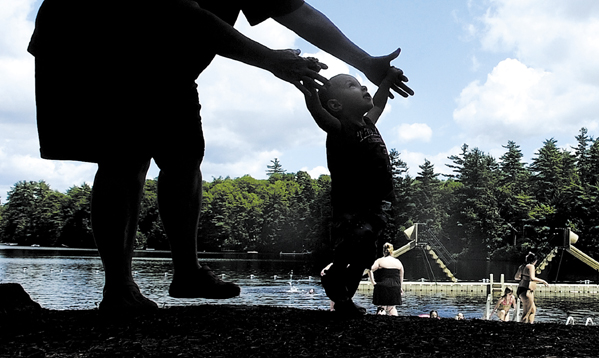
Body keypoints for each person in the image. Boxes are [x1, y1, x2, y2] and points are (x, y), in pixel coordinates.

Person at [28, 0, 412, 311]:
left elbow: (299, 13)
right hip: (91, 35)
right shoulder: (341, 126)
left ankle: (186, 272)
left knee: (184, 152)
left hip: (161, 56)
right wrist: (271, 60)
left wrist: (367, 63)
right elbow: (185, 15)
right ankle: (119, 288)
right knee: (123, 155)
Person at [302, 67, 404, 317]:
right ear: (336, 105)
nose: (363, 88)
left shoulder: (368, 123)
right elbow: (318, 112)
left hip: (376, 204)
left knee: (366, 256)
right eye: (352, 86)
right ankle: (336, 273)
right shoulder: (339, 127)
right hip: (351, 204)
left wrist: (387, 80)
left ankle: (344, 297)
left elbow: (379, 103)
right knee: (350, 245)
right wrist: (309, 90)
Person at [368, 243, 404, 316]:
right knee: (392, 308)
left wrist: (373, 282)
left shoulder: (380, 261)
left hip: (382, 286)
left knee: (382, 307)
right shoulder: (398, 262)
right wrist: (400, 287)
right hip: (395, 286)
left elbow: (369, 269)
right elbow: (401, 277)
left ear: (383, 251)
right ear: (392, 251)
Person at [515, 252, 549, 323]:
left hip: (521, 289)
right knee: (526, 312)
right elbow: (532, 278)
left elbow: (516, 277)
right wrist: (543, 281)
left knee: (533, 310)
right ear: (535, 261)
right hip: (527, 290)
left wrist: (524, 278)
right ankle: (521, 328)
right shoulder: (531, 266)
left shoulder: (522, 266)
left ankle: (530, 324)